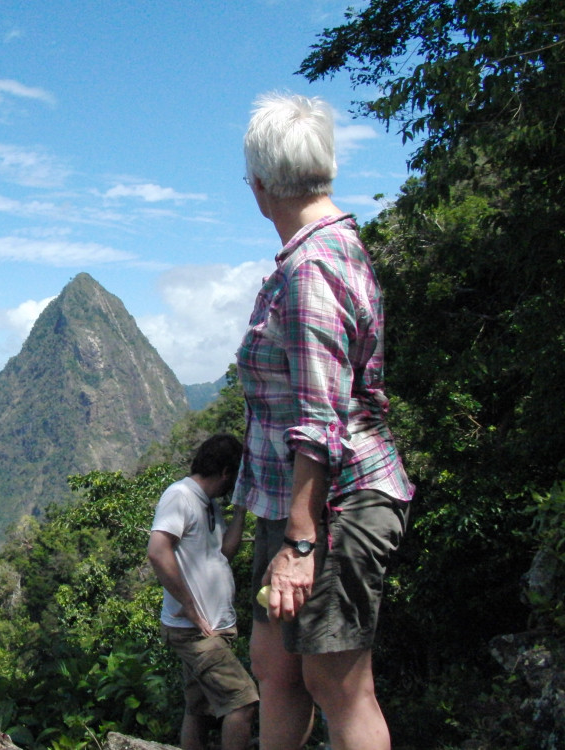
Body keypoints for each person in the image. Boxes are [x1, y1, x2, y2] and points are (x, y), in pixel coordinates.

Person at [232, 91, 415, 750]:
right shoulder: (330, 250)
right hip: (290, 502)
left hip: (332, 505)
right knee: (275, 669)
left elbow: (318, 416)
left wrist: (301, 544)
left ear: (258, 185)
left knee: (339, 685)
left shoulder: (312, 268)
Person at [148, 434, 259, 750]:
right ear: (226, 472)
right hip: (194, 631)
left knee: (200, 708)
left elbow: (223, 553)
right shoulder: (180, 496)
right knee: (242, 702)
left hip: (212, 627)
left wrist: (239, 512)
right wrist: (190, 604)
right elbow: (158, 551)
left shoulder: (209, 504)